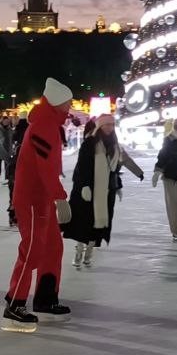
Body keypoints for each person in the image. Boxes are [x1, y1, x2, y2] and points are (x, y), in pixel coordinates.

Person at [3, 79, 73, 332]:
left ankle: (45, 298)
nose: (71, 106)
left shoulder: (50, 124)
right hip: (32, 198)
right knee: (32, 249)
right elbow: (44, 167)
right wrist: (60, 196)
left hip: (42, 197)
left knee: (52, 248)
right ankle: (15, 303)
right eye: (68, 101)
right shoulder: (44, 125)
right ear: (57, 101)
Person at [62, 114, 144, 269]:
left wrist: (120, 184)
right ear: (100, 126)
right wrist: (84, 186)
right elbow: (82, 166)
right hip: (89, 190)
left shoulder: (115, 145)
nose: (109, 128)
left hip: (107, 191)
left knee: (99, 224)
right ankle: (79, 251)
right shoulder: (90, 143)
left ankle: (89, 252)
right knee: (85, 222)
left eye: (112, 125)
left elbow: (117, 168)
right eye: (106, 125)